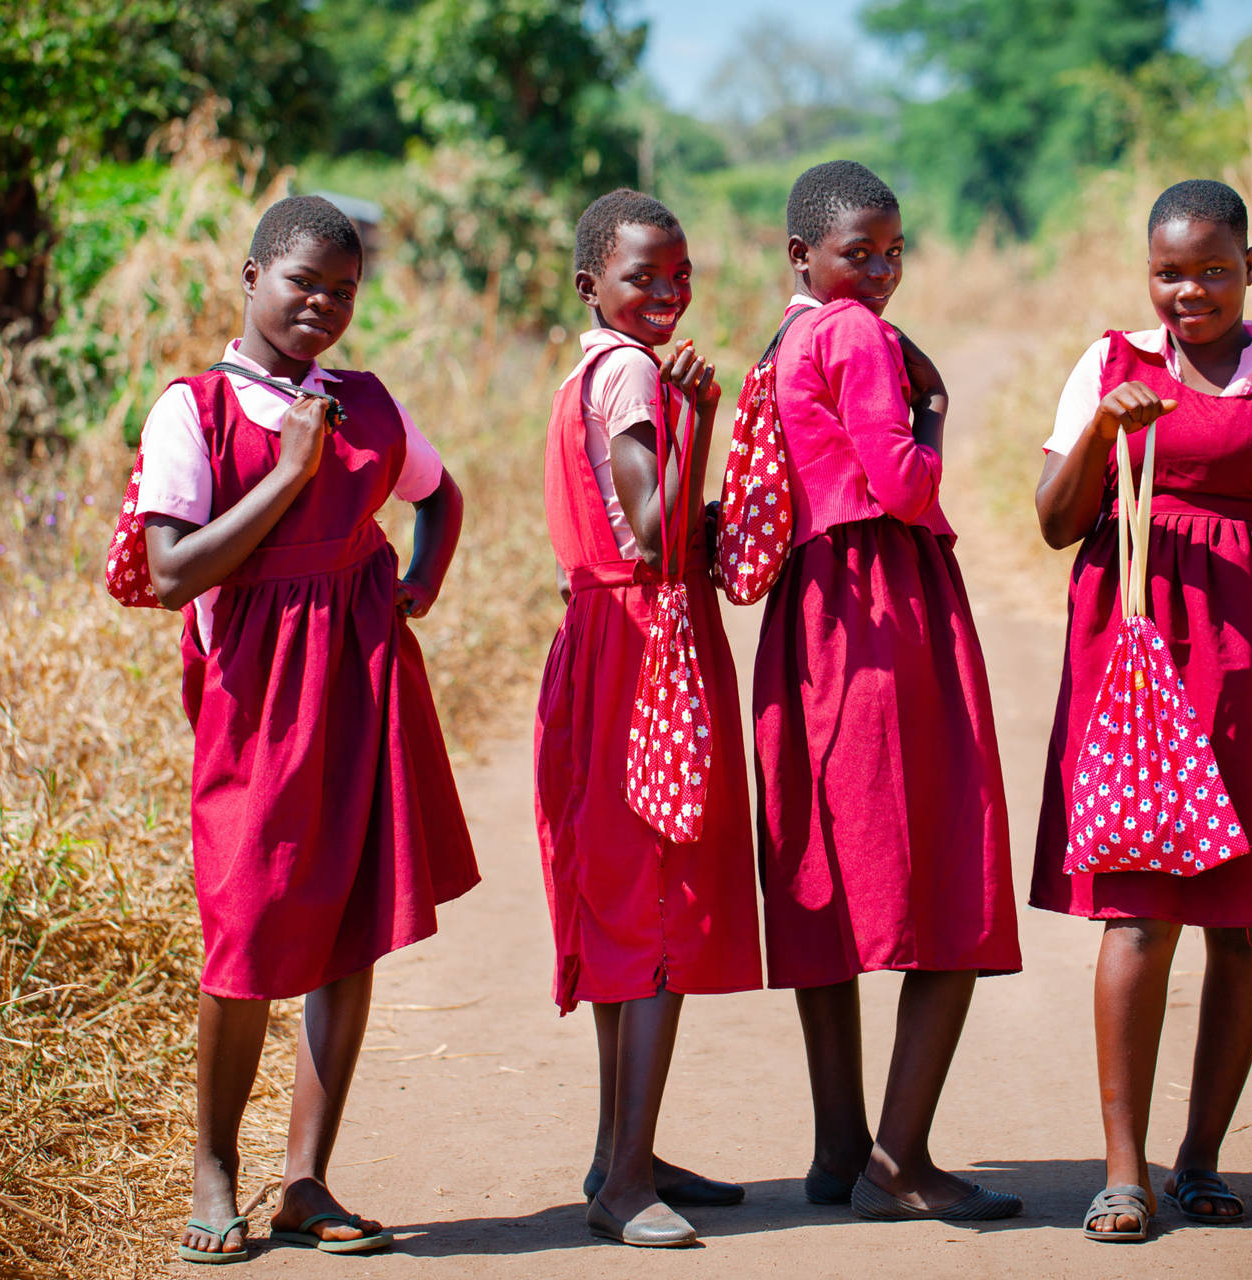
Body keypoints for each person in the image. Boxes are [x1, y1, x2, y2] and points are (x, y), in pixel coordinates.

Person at [134, 195, 479, 1263]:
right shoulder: (193, 409)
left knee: (347, 927)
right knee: (242, 935)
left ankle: (307, 1180)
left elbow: (440, 492)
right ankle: (213, 1169)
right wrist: (289, 474)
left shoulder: (363, 403)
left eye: (343, 290)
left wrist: (416, 582)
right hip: (254, 702)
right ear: (250, 277)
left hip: (365, 684)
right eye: (301, 284)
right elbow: (169, 567)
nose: (322, 306)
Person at [1031, 178, 1252, 1242]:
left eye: (1214, 269)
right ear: (1148, 274)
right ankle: (1122, 1172)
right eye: (1170, 272)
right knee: (1138, 909)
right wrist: (1101, 435)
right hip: (1139, 664)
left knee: (1247, 922)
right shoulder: (1110, 364)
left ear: (1250, 268)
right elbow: (1054, 521)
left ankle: (1204, 1156)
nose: (1191, 290)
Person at [754, 160, 1022, 1223]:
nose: (878, 271)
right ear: (803, 256)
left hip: (808, 614)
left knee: (826, 869)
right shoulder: (858, 336)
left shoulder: (781, 343)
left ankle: (839, 1146)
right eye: (858, 252)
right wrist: (939, 408)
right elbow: (905, 480)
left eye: (892, 250)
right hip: (885, 600)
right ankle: (899, 1157)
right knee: (951, 871)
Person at [533, 189, 763, 1248]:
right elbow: (660, 527)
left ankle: (623, 1146)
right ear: (593, 286)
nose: (666, 292)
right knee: (662, 908)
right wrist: (708, 420)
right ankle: (625, 1181)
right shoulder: (630, 373)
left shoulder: (588, 369)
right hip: (648, 646)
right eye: (642, 277)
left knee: (629, 902)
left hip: (608, 640)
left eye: (680, 274)